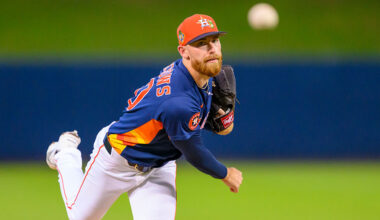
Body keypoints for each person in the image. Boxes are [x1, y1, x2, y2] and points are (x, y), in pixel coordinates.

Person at [46, 14, 243, 220]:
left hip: (159, 166)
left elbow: (218, 126)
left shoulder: (202, 76)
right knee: (80, 217)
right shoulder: (177, 102)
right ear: (183, 52)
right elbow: (194, 152)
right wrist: (225, 174)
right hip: (118, 159)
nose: (211, 48)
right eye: (201, 43)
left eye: (215, 40)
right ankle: (65, 154)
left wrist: (222, 118)